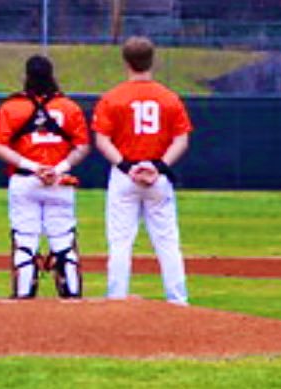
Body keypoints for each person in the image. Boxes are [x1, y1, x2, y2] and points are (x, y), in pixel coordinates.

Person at [93, 36, 193, 306]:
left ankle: (116, 298)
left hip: (125, 175)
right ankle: (178, 299)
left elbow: (102, 140)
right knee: (167, 241)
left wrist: (127, 166)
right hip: (157, 176)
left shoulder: (113, 98)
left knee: (120, 241)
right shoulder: (169, 98)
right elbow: (181, 140)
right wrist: (158, 166)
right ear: (153, 60)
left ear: (125, 61)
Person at [0, 55, 91, 299]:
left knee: (24, 242)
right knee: (64, 241)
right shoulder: (69, 107)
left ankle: (24, 295)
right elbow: (83, 147)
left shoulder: (11, 107)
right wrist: (57, 168)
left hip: (25, 180)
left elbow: (0, 147)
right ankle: (71, 294)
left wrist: (33, 167)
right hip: (59, 181)